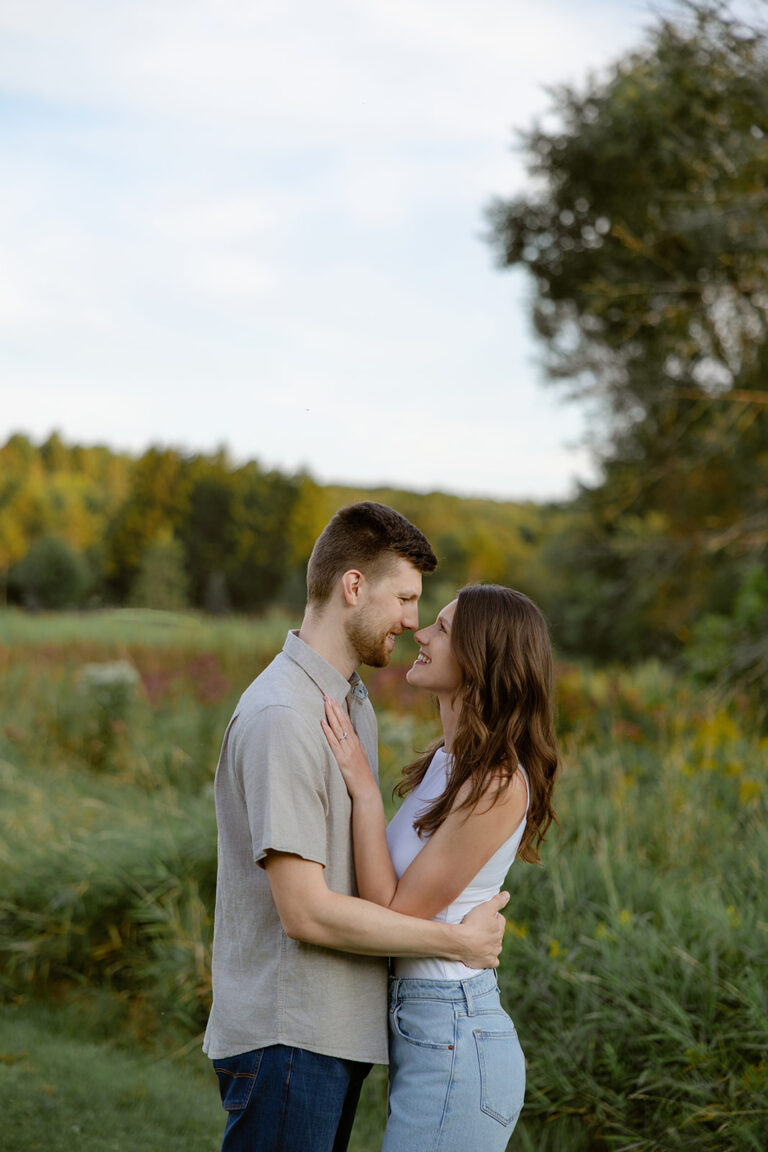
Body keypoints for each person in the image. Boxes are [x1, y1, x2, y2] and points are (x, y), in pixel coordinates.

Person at [203, 503, 510, 1152]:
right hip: (290, 1032)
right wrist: (454, 943)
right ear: (352, 587)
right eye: (403, 597)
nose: (411, 621)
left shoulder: (349, 705)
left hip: (333, 1031)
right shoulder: (284, 715)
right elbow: (306, 913)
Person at [322, 583, 559, 1150]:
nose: (420, 633)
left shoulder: (498, 781)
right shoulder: (448, 762)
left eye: (443, 629)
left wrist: (366, 792)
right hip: (431, 1031)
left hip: (456, 1034)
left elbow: (392, 912)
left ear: (482, 658)